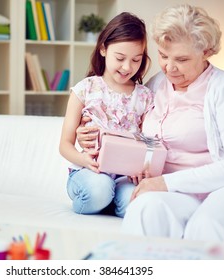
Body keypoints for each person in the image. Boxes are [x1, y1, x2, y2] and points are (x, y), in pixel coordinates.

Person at [76, 4, 224, 242]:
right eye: (163, 55)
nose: (170, 67)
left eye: (181, 59)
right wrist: (92, 132)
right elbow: (127, 127)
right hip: (179, 191)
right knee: (143, 210)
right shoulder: (156, 84)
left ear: (207, 51)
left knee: (206, 225)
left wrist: (166, 182)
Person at [59, 12, 153, 217]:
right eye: (120, 58)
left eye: (136, 60)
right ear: (103, 49)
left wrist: (142, 167)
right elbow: (64, 144)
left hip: (124, 177)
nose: (127, 67)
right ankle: (103, 198)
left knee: (137, 203)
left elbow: (148, 143)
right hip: (89, 172)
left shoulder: (145, 97)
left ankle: (110, 200)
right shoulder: (85, 89)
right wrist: (84, 160)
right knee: (98, 190)